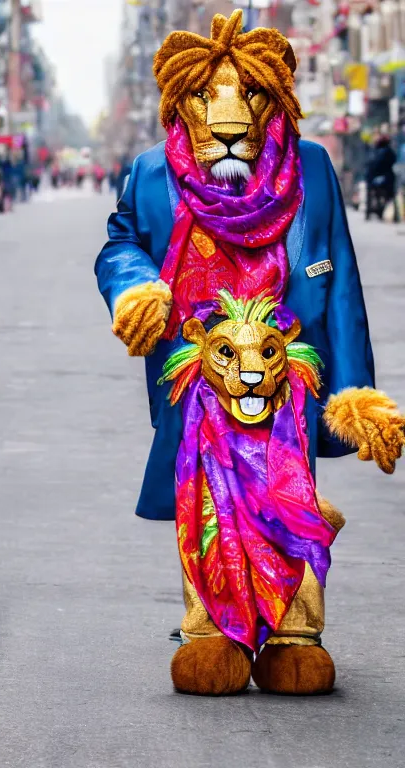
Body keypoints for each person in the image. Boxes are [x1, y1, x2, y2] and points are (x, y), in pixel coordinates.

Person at [95, 10, 404, 697]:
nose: (231, 120)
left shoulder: (313, 167)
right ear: (182, 102)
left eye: (249, 98)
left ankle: (295, 631)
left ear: (276, 97)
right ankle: (213, 632)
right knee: (205, 498)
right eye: (210, 100)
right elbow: (119, 244)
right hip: (200, 377)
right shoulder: (152, 174)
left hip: (288, 377)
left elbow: (340, 276)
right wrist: (137, 287)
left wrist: (357, 391)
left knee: (288, 496)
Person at [365, 133, 397, 220]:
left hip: (379, 178)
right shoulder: (386, 151)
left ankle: (378, 210)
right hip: (382, 178)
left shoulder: (376, 151)